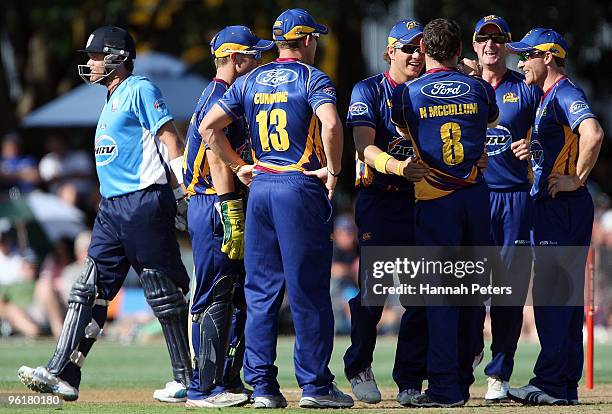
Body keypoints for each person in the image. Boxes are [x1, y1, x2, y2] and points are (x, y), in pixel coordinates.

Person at [18, 26, 192, 403]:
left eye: (96, 56)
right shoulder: (110, 99)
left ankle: (187, 378)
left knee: (163, 292)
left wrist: (183, 192)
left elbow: (170, 139)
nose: (91, 63)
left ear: (116, 57)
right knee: (88, 289)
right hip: (112, 208)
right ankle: (63, 372)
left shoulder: (140, 88)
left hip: (143, 201)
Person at [200, 8, 353, 409]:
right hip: (298, 185)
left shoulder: (250, 79)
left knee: (261, 291)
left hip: (262, 186)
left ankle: (264, 387)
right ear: (306, 41)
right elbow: (332, 125)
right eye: (315, 38)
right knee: (308, 289)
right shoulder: (312, 78)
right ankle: (315, 386)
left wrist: (237, 165)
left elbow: (207, 127)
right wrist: (334, 171)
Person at [391, 18, 499, 407]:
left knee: (439, 296)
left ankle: (442, 388)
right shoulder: (480, 87)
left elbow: (404, 130)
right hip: (474, 196)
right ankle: (463, 380)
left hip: (436, 200)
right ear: (458, 51)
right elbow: (490, 121)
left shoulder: (408, 93)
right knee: (471, 293)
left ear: (425, 52)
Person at [505, 28, 604, 405]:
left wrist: (576, 179)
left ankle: (548, 382)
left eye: (527, 55)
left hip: (561, 207)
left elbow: (593, 133)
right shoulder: (548, 95)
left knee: (551, 297)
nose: (520, 62)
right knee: (562, 298)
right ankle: (563, 385)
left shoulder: (565, 92)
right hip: (558, 207)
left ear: (549, 57)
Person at [182, 25, 274, 408]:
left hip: (215, 201)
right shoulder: (226, 96)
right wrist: (232, 208)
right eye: (253, 56)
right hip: (215, 202)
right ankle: (202, 388)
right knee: (215, 294)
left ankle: (226, 380)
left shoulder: (219, 91)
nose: (259, 63)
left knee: (232, 295)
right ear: (235, 59)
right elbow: (216, 152)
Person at [343, 19, 429, 406]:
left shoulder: (432, 88)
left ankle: (410, 378)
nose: (416, 55)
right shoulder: (370, 89)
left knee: (420, 295)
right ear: (390, 51)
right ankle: (358, 364)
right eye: (408, 48)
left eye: (422, 48)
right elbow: (364, 146)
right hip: (380, 198)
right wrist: (398, 167)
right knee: (374, 293)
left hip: (423, 200)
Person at [463, 15, 542, 403]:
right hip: (472, 196)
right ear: (475, 44)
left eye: (498, 39)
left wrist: (534, 151)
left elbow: (551, 134)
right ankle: (471, 349)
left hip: (513, 198)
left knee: (508, 291)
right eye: (484, 39)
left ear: (507, 46)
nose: (491, 45)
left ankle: (499, 373)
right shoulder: (463, 87)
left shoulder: (524, 89)